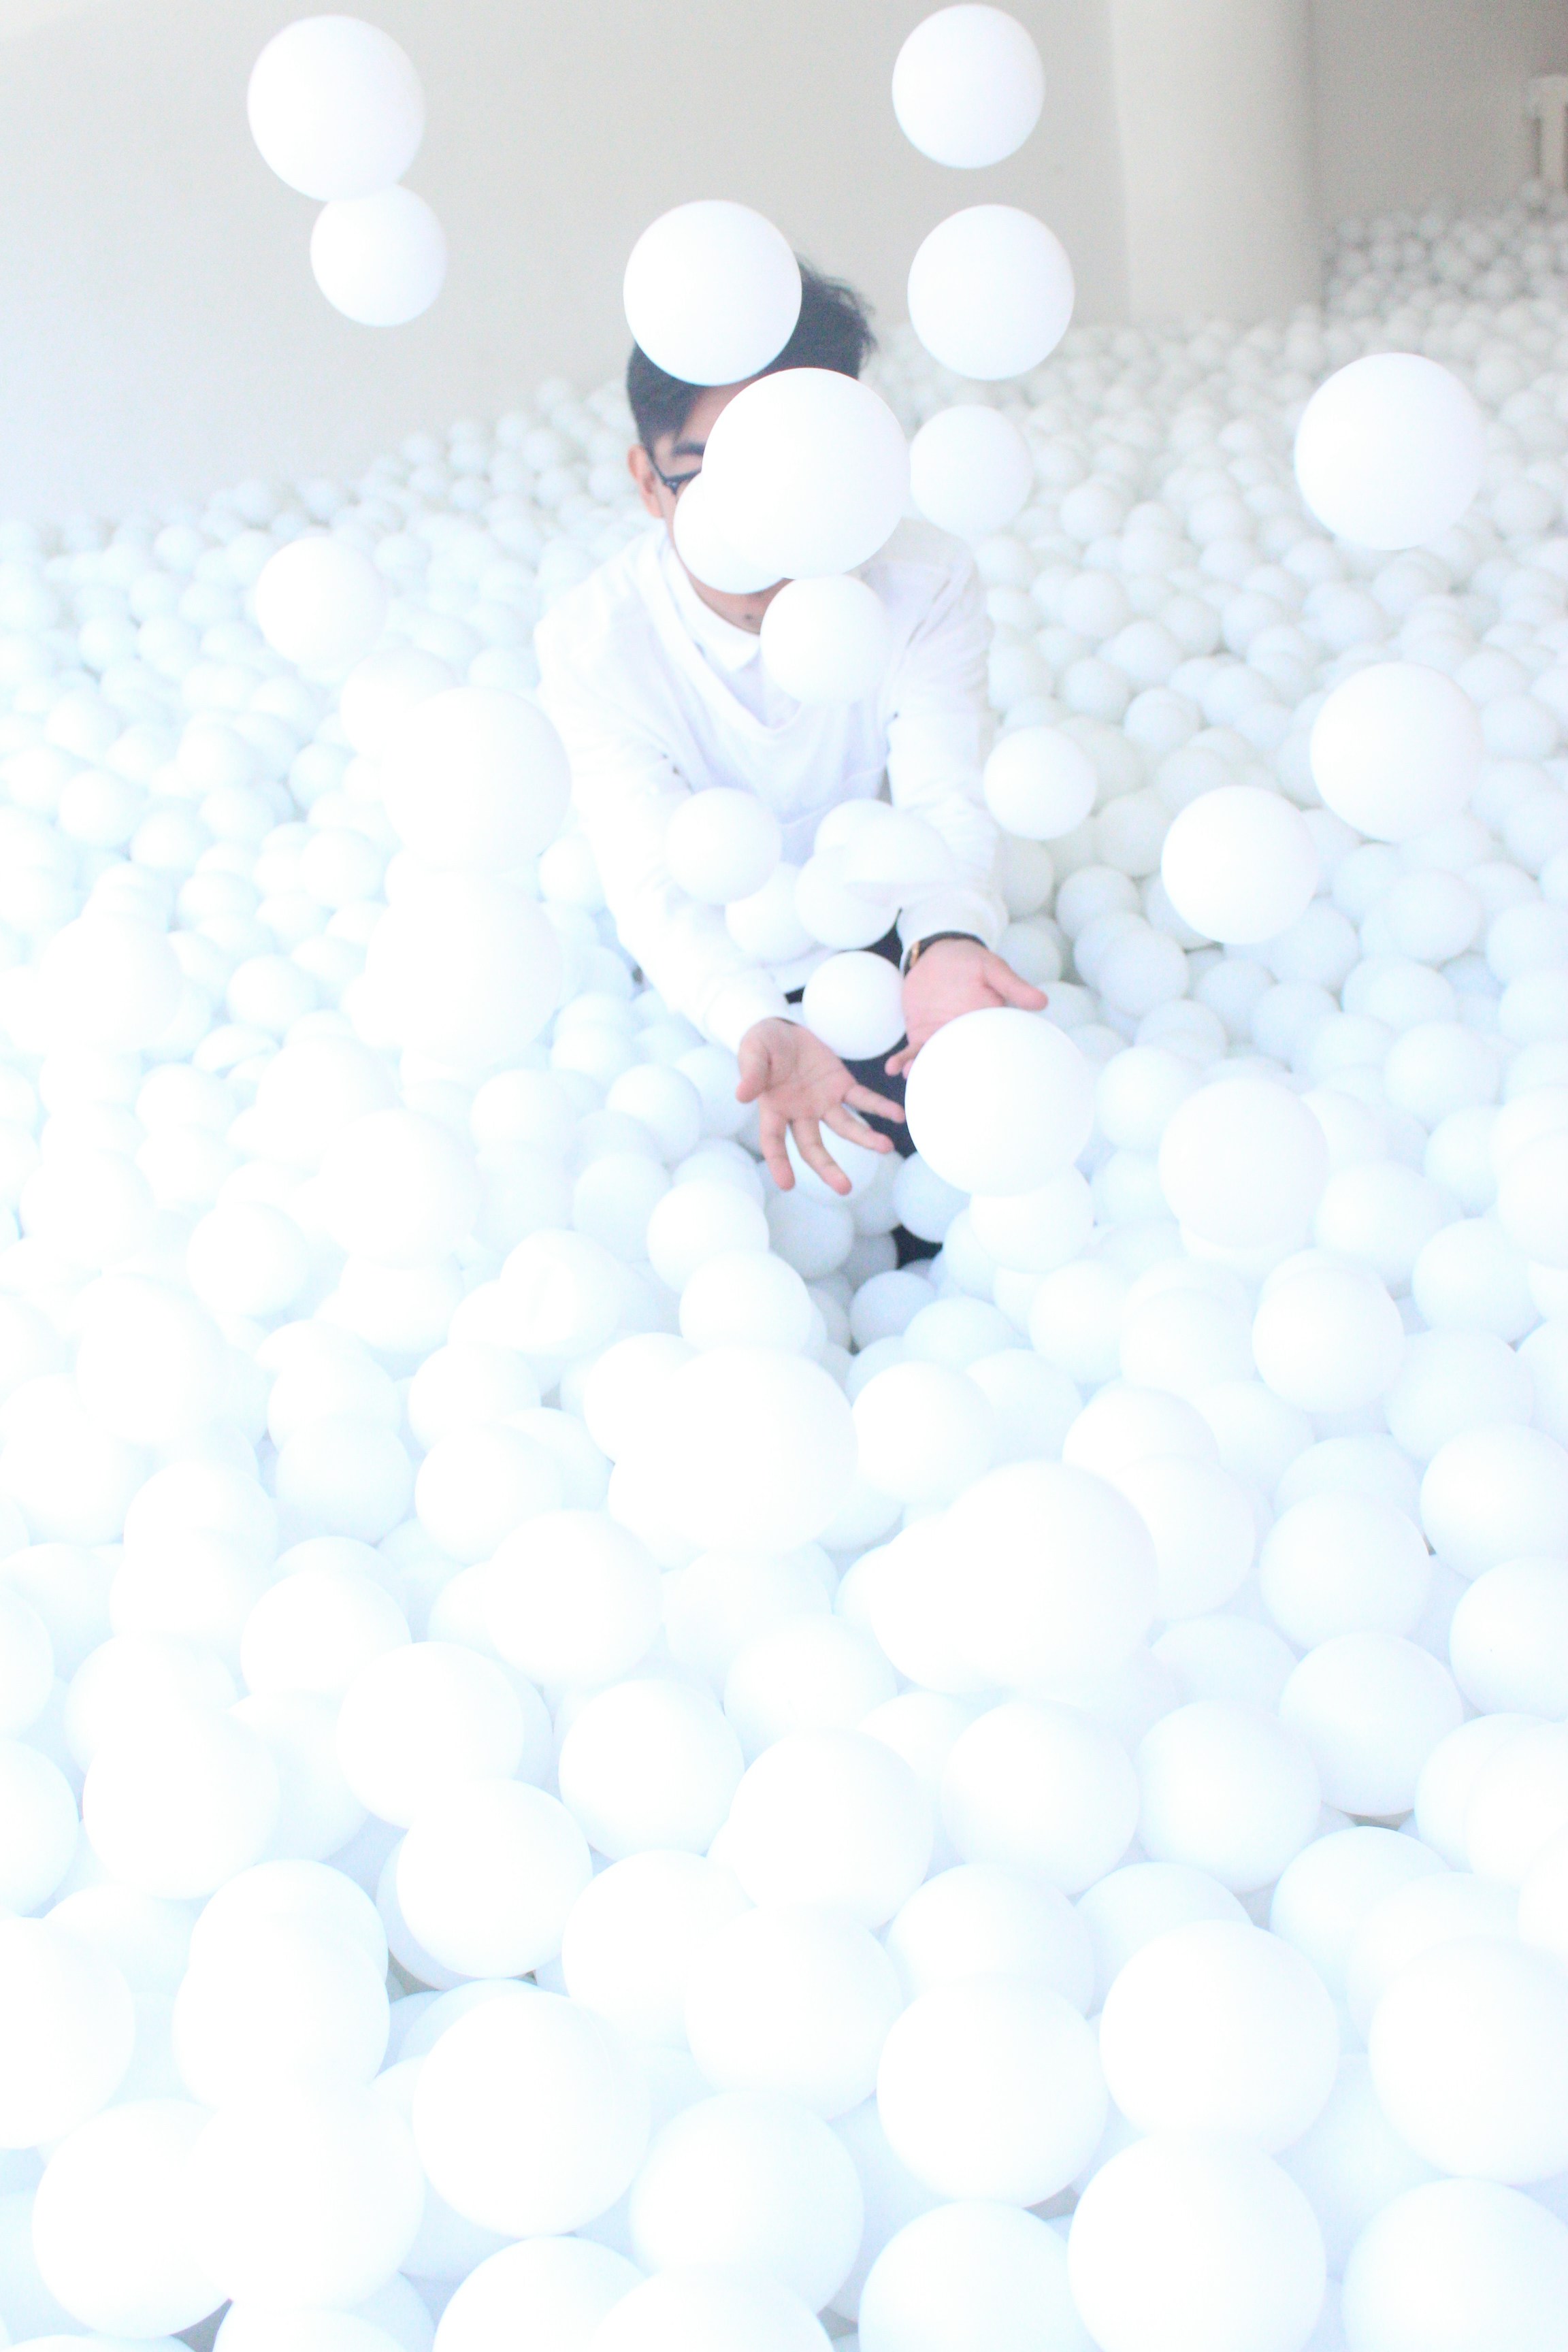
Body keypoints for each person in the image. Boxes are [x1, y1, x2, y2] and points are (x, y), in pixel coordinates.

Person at [534, 264, 1045, 1204]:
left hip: (875, 927)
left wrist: (947, 939)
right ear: (649, 482)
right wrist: (750, 1017)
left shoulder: (924, 583)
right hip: (715, 974)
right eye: (713, 482)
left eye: (800, 482)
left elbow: (945, 797)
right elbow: (653, 882)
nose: (765, 532)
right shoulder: (598, 645)